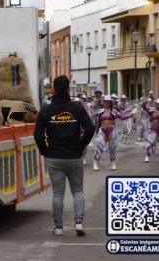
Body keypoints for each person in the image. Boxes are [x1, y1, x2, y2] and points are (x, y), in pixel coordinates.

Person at [34, 75, 96, 236]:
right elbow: (90, 128)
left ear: (53, 89)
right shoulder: (77, 107)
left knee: (57, 193)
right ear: (68, 90)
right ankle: (79, 223)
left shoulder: (46, 110)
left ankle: (59, 227)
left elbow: (38, 135)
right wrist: (82, 144)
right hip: (74, 155)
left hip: (54, 156)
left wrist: (44, 151)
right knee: (78, 190)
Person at [93, 95, 128, 170]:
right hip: (103, 130)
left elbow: (122, 117)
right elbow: (91, 115)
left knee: (113, 148)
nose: (106, 103)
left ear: (110, 103)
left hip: (112, 131)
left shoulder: (114, 111)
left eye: (107, 102)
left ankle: (113, 163)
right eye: (105, 102)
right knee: (100, 146)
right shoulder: (100, 111)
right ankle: (95, 162)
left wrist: (131, 114)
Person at [142, 98, 159, 163]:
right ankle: (147, 156)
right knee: (149, 141)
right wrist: (144, 103)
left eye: (158, 104)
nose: (156, 105)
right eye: (156, 104)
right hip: (154, 129)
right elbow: (145, 108)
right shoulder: (152, 110)